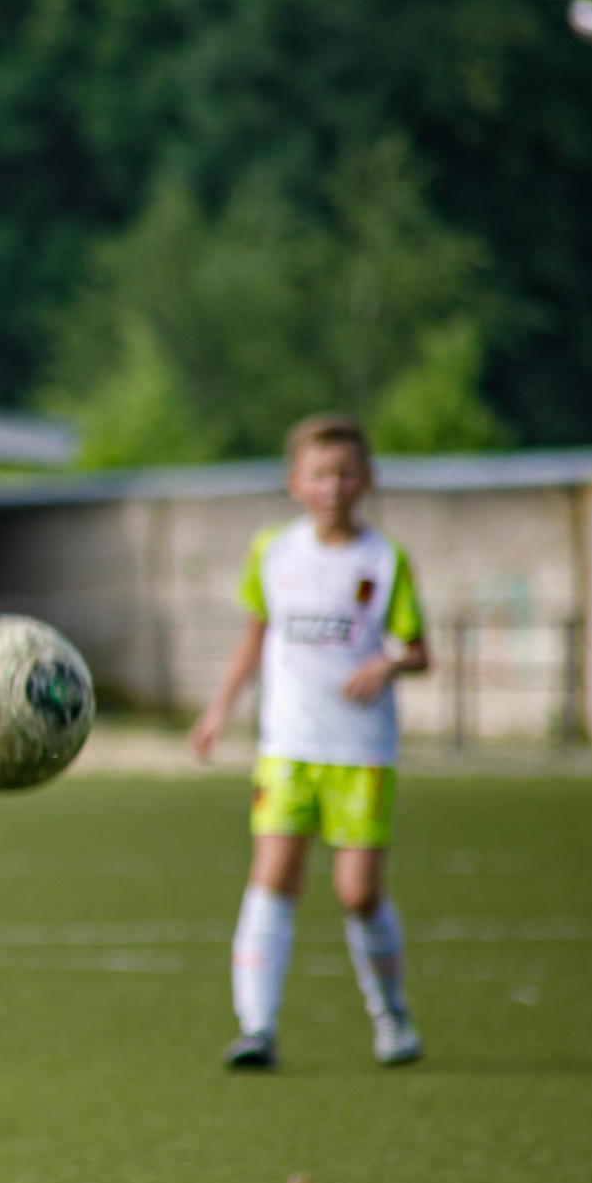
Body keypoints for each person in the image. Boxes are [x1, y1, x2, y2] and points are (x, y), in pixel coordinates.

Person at [189, 412, 430, 1071]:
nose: (335, 484)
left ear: (369, 479)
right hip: (287, 746)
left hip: (361, 752)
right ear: (296, 481)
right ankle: (256, 1027)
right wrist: (218, 710)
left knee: (357, 892)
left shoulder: (383, 559)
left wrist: (386, 663)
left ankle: (391, 1016)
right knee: (272, 877)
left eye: (347, 472)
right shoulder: (273, 550)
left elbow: (418, 651)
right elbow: (254, 634)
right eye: (321, 473)